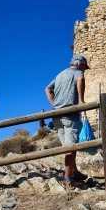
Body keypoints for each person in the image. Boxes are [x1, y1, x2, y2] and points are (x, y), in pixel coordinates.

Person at [45, 54, 89, 188]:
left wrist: (54, 105)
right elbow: (81, 78)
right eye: (85, 67)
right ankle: (68, 179)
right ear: (80, 64)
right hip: (70, 115)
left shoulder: (60, 74)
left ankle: (74, 172)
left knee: (67, 147)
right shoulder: (78, 73)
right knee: (71, 148)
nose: (85, 70)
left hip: (57, 116)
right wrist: (81, 101)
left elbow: (47, 89)